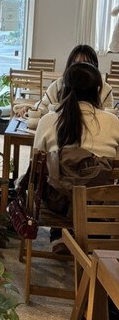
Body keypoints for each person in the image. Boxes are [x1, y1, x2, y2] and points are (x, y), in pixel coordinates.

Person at [33, 61, 119, 251]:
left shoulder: (48, 120)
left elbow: (35, 166)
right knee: (100, 188)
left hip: (58, 206)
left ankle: (62, 234)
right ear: (98, 91)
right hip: (99, 205)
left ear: (64, 89)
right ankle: (93, 235)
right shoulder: (113, 122)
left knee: (51, 179)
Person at [19, 44, 113, 117]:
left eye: (86, 64)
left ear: (95, 67)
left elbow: (109, 115)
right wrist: (30, 109)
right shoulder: (58, 85)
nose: (81, 69)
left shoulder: (105, 89)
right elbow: (43, 105)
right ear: (69, 65)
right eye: (77, 64)